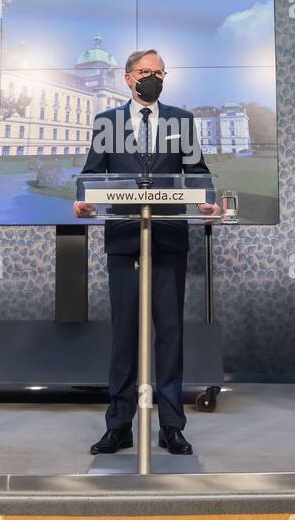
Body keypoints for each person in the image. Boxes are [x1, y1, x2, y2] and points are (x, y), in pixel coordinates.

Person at [74, 49, 215, 456]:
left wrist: (205, 199)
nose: (151, 77)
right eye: (144, 72)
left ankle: (171, 425)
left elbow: (198, 171)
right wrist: (83, 200)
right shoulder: (107, 122)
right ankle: (118, 426)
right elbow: (91, 171)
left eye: (158, 72)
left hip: (169, 236)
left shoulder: (181, 121)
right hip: (124, 237)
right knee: (124, 336)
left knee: (169, 334)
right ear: (127, 78)